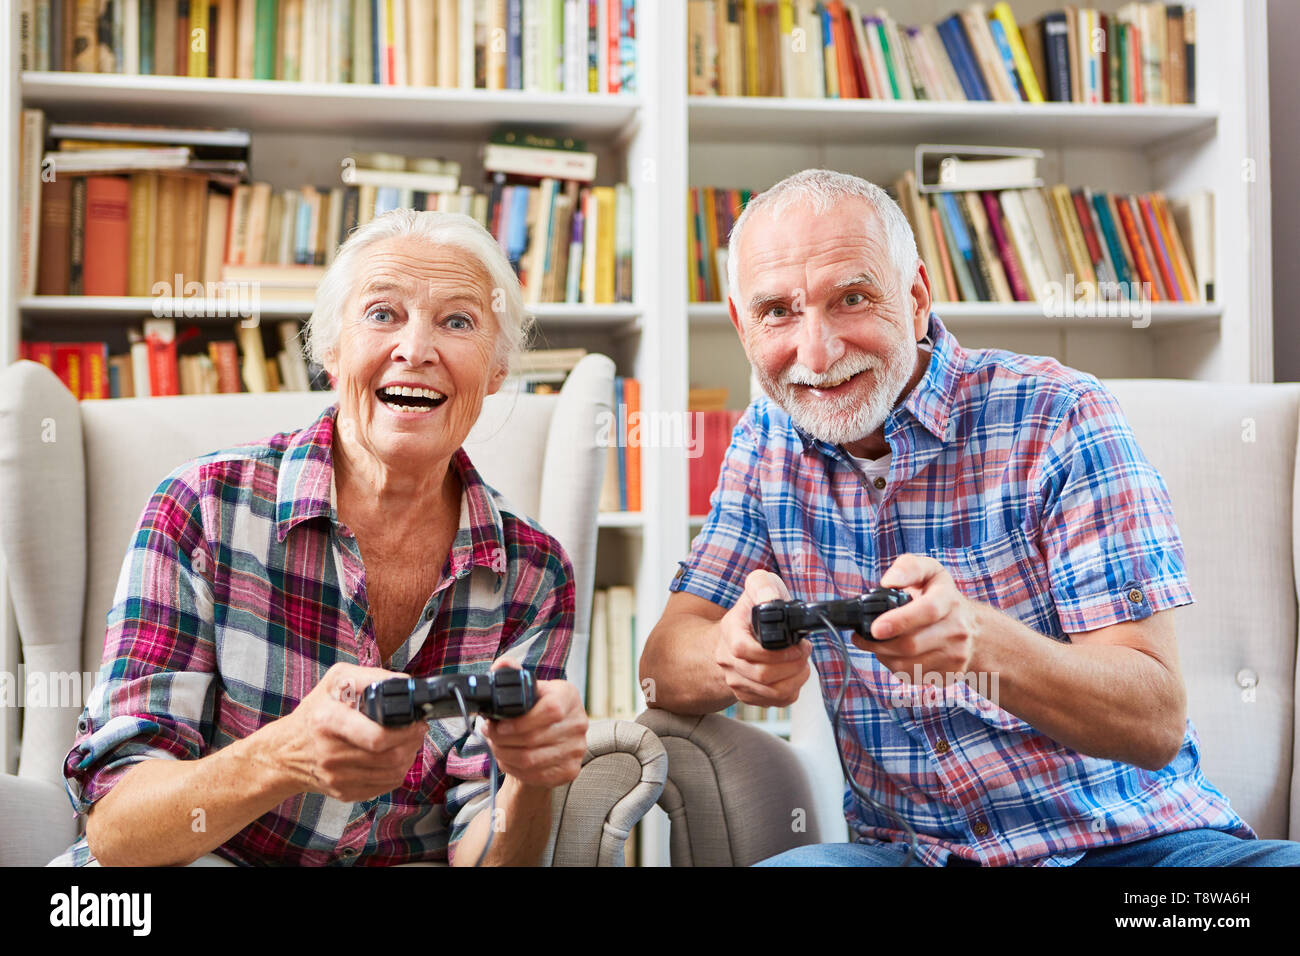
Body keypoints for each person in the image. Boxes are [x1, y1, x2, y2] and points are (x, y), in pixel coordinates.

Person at [640, 168, 1300, 867]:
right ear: (744, 326)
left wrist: (980, 643)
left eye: (853, 298)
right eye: (779, 311)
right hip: (917, 857)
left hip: (1137, 849)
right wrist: (727, 654)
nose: (818, 352)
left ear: (917, 296)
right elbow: (662, 663)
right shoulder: (764, 445)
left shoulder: (1060, 415)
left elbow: (1153, 717)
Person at [52, 209, 589, 866]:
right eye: (383, 314)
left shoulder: (534, 573)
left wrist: (529, 776)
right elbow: (116, 828)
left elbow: (491, 857)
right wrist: (285, 756)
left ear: (499, 370)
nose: (415, 349)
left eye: (458, 321)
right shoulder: (202, 508)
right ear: (330, 350)